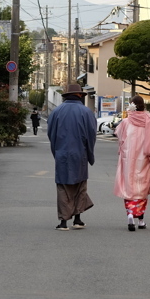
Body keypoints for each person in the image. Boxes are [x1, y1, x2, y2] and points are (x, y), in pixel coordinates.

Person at [47, 83, 97, 230]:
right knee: (80, 185)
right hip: (80, 153)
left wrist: (56, 150)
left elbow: (51, 134)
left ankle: (63, 221)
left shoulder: (56, 112)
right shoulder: (86, 112)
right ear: (80, 95)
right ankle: (77, 219)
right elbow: (91, 135)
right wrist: (89, 154)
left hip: (62, 153)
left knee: (63, 186)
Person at [113, 95, 150, 232]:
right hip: (145, 159)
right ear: (143, 106)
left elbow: (119, 137)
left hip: (128, 159)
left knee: (129, 187)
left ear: (132, 106)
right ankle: (141, 219)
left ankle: (130, 214)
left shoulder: (125, 122)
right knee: (142, 188)